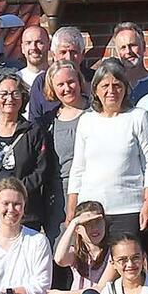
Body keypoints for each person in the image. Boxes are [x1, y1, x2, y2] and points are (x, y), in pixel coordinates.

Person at [66, 60, 148, 239]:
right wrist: (72, 208)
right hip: (91, 210)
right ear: (95, 90)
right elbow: (78, 167)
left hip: (129, 208)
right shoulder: (86, 120)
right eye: (105, 86)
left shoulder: (138, 117)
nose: (111, 91)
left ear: (125, 88)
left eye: (117, 85)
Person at [0, 73, 42, 232]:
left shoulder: (34, 132)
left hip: (24, 212)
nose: (9, 98)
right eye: (3, 94)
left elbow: (40, 170)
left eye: (15, 93)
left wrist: (15, 195)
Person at [36, 60, 90, 234]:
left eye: (71, 82)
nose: (67, 88)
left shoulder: (96, 113)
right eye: (60, 84)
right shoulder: (49, 121)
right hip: (60, 197)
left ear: (79, 81)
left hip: (92, 189)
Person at [105, 21, 148, 104]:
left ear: (143, 46)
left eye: (132, 45)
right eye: (123, 47)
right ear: (117, 52)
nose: (128, 51)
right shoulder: (113, 87)